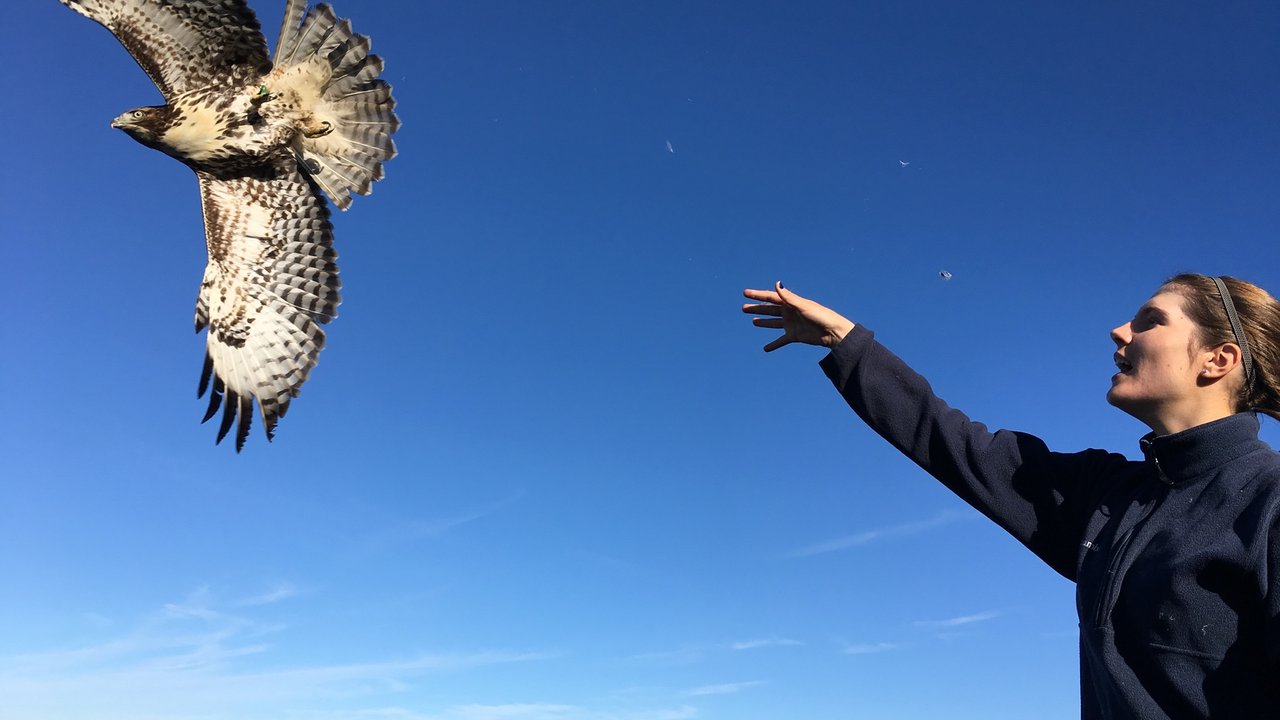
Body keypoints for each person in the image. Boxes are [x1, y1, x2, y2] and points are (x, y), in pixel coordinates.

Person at [742, 275, 1280, 719]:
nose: (1119, 332)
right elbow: (952, 442)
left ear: (1218, 359)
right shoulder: (1107, 496)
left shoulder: (1269, 501)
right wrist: (844, 338)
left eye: (1150, 321)